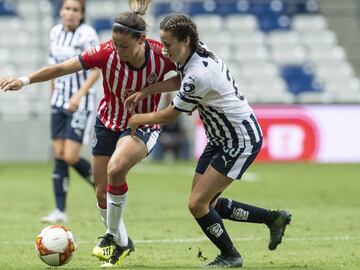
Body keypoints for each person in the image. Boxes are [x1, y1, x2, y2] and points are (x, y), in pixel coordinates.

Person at [0, 0, 176, 267]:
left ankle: (111, 236)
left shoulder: (161, 55)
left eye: (124, 46)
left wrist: (150, 91)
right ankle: (123, 242)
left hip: (141, 125)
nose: (118, 51)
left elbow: (181, 78)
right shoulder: (106, 52)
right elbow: (60, 69)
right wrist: (24, 81)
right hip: (107, 122)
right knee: (100, 191)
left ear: (141, 40)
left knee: (116, 168)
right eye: (115, 45)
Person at [126, 14, 292, 268]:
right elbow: (179, 80)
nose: (165, 49)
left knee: (197, 203)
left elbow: (171, 115)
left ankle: (231, 256)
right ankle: (273, 218)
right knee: (207, 202)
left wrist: (139, 118)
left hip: (239, 140)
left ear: (186, 40)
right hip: (219, 138)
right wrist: (147, 91)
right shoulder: (193, 54)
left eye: (168, 44)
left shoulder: (200, 75)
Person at [48, 0, 101, 223]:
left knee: (70, 156)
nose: (70, 13)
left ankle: (102, 186)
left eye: (75, 10)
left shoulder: (87, 34)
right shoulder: (55, 32)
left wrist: (78, 95)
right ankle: (60, 210)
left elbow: (96, 69)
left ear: (81, 14)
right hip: (58, 102)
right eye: (67, 9)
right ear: (61, 11)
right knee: (59, 155)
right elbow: (52, 66)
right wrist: (52, 95)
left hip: (81, 104)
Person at [151, 92, 190, 161]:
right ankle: (156, 161)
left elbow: (183, 131)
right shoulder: (160, 112)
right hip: (163, 137)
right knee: (156, 142)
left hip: (176, 137)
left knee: (185, 142)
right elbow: (156, 129)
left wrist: (175, 140)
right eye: (167, 99)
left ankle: (183, 161)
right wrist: (163, 138)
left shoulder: (179, 112)